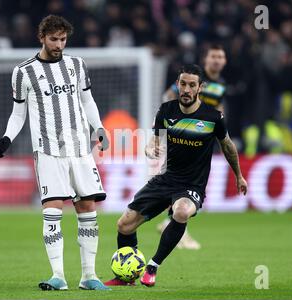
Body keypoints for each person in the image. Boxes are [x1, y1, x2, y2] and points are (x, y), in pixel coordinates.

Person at [0, 15, 110, 291]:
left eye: (63, 39)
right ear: (41, 37)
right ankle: (58, 276)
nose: (59, 44)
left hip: (79, 149)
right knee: (52, 210)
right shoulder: (23, 71)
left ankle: (89, 276)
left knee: (87, 208)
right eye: (53, 39)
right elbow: (19, 113)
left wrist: (99, 127)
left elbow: (87, 100)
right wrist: (7, 138)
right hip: (48, 151)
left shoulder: (77, 65)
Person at [105, 64, 247, 287]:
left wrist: (239, 175)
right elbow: (154, 141)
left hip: (192, 184)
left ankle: (153, 266)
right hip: (167, 179)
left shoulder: (213, 117)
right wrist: (150, 148)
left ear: (200, 87)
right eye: (183, 84)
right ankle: (126, 276)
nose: (186, 90)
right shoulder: (166, 110)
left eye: (192, 85)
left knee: (181, 212)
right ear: (178, 85)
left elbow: (227, 146)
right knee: (124, 225)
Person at [159, 44, 227, 250]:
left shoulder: (221, 85)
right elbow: (167, 97)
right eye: (213, 56)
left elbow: (218, 111)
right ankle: (178, 230)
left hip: (202, 141)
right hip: (181, 137)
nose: (217, 60)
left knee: (194, 182)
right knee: (179, 180)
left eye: (221, 56)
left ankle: (171, 224)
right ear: (206, 59)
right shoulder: (191, 78)